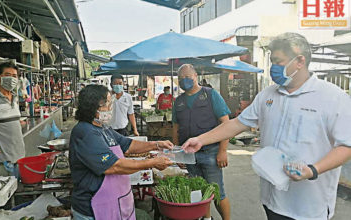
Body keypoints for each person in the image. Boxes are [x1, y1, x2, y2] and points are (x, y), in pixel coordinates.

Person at [182, 33, 351, 220]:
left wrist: (313, 169)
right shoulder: (268, 95)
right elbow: (237, 124)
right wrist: (200, 140)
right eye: (272, 61)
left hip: (309, 205)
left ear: (300, 61)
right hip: (273, 199)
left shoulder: (333, 98)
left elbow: (346, 146)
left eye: (278, 61)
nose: (273, 68)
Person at [69, 84, 173, 220]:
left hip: (116, 202)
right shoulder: (84, 132)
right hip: (94, 209)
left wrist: (157, 144)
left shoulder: (103, 128)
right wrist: (152, 162)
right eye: (106, 103)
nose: (110, 107)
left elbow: (128, 145)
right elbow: (114, 166)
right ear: (92, 107)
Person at [172, 64, 231, 220]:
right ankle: (207, 218)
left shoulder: (211, 95)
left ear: (195, 76)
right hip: (189, 155)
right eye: (180, 79)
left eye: (187, 77)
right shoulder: (178, 101)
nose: (184, 81)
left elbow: (227, 124)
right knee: (198, 192)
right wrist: (178, 154)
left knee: (217, 192)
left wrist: (222, 151)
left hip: (210, 152)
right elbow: (175, 129)